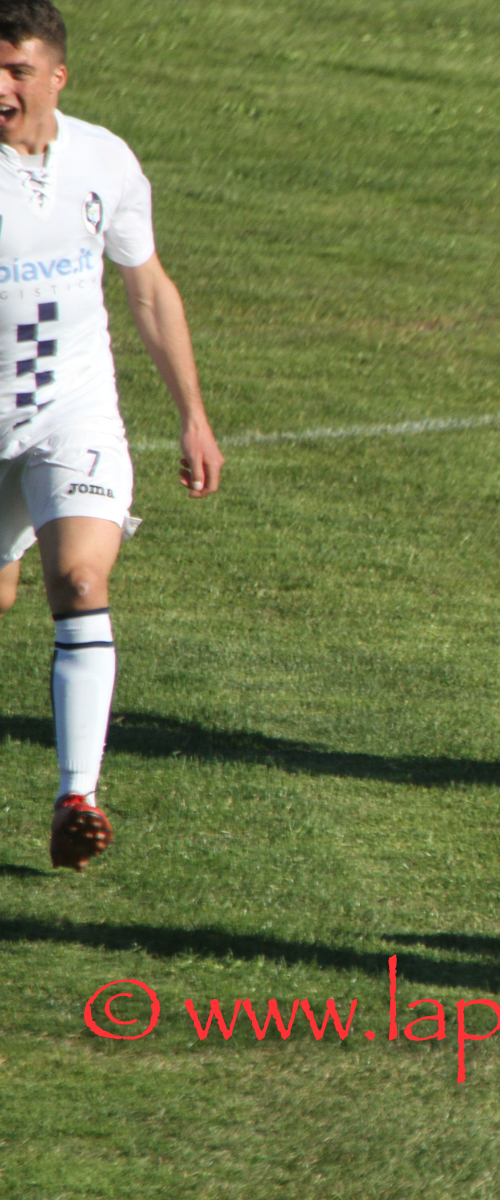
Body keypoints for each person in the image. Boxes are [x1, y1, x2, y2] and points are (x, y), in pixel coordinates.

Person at [0, 1, 223, 871]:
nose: (0, 85)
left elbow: (149, 288)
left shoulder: (105, 160)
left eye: (16, 69)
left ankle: (77, 797)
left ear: (57, 77)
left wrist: (192, 415)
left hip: (72, 412)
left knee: (81, 579)